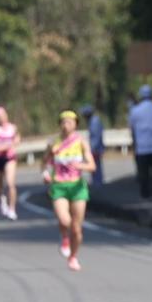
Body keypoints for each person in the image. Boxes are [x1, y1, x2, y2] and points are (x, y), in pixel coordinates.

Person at [43, 109, 96, 271]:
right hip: (59, 186)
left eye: (70, 122)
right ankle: (64, 237)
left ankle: (73, 256)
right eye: (64, 122)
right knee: (66, 221)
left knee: (77, 228)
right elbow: (46, 162)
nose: (67, 125)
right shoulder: (54, 143)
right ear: (60, 124)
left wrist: (80, 166)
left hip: (77, 187)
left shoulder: (81, 142)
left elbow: (92, 166)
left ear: (75, 125)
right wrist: (45, 173)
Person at [128, 84, 152, 200]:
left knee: (143, 173)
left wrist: (134, 144)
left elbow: (132, 129)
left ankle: (145, 195)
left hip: (142, 147)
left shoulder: (134, 111)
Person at [0, 105, 21, 220]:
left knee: (11, 183)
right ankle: (2, 199)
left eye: (3, 115)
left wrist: (12, 144)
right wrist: (4, 147)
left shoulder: (13, 128)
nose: (1, 118)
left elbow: (17, 140)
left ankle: (12, 209)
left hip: (10, 158)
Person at [82, 104, 106, 187]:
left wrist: (91, 149)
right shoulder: (93, 120)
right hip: (96, 147)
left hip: (95, 149)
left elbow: (96, 137)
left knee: (96, 167)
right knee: (96, 167)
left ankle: (98, 184)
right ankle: (97, 183)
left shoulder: (94, 122)